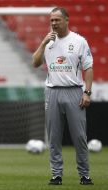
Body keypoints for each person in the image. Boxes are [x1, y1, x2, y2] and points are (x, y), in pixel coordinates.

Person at [32, 7, 94, 185]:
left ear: (67, 20)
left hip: (74, 91)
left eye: (57, 20)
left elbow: (88, 68)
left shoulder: (79, 41)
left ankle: (84, 175)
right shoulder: (48, 42)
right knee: (54, 137)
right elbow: (35, 63)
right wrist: (43, 43)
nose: (54, 23)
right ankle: (56, 175)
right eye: (51, 20)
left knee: (79, 136)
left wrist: (87, 92)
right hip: (52, 92)